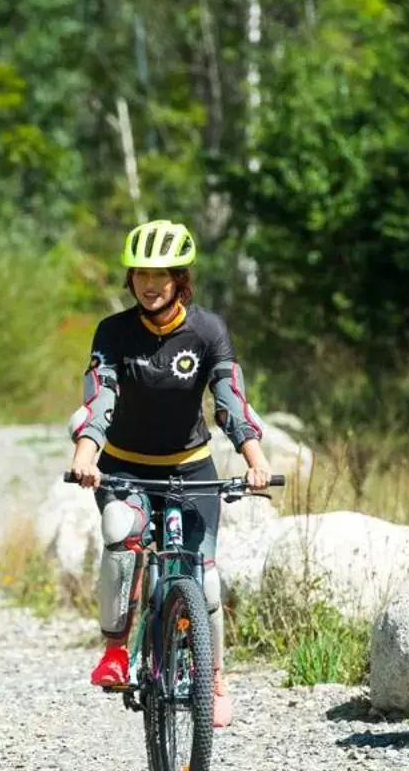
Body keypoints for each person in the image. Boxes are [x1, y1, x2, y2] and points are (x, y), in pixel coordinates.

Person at [67, 219, 273, 729]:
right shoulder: (113, 332)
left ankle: (214, 678)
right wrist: (87, 453)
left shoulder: (208, 331)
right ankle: (116, 650)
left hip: (191, 471)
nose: (150, 283)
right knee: (121, 530)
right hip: (124, 468)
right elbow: (101, 398)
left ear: (181, 278)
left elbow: (230, 402)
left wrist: (255, 460)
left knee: (204, 581)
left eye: (162, 273)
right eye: (140, 273)